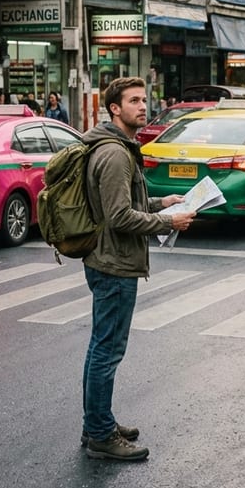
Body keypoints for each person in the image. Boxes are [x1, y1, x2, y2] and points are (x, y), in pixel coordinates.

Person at [80, 77, 195, 462]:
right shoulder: (114, 153)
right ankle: (99, 435)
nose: (143, 107)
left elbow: (128, 201)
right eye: (133, 101)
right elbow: (117, 216)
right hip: (113, 262)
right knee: (106, 351)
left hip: (110, 259)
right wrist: (168, 224)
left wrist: (163, 202)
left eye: (144, 100)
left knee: (102, 348)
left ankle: (98, 422)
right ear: (114, 108)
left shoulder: (120, 146)